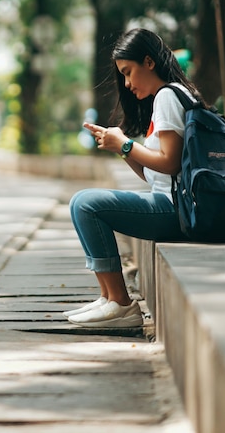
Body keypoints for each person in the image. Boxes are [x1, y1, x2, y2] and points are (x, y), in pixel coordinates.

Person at [65, 28, 205, 328]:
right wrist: (122, 149)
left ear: (149, 62)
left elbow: (169, 163)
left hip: (176, 210)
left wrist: (126, 144)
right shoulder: (171, 96)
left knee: (85, 204)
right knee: (82, 202)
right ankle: (108, 298)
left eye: (129, 73)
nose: (127, 84)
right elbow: (155, 173)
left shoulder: (168, 96)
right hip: (173, 204)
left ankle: (120, 304)